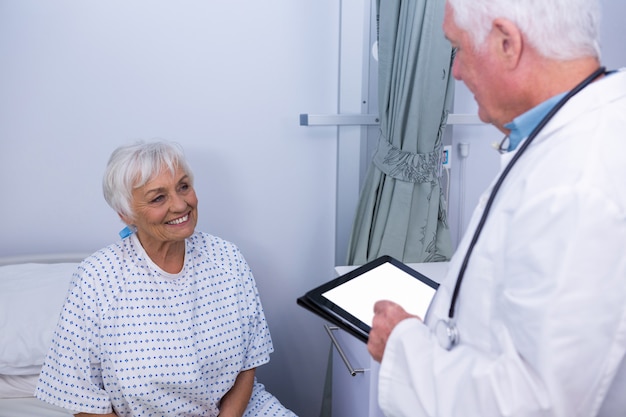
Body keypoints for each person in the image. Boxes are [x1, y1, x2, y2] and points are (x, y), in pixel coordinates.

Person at [367, 0, 626, 416]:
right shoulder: (571, 133)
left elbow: (536, 404)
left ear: (508, 43)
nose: (455, 70)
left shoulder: (580, 181)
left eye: (459, 48)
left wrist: (403, 345)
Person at [35, 141, 296, 417]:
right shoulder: (96, 279)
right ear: (126, 214)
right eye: (158, 197)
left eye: (183, 186)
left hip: (238, 410)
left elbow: (248, 362)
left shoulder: (227, 259)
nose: (180, 204)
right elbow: (81, 397)